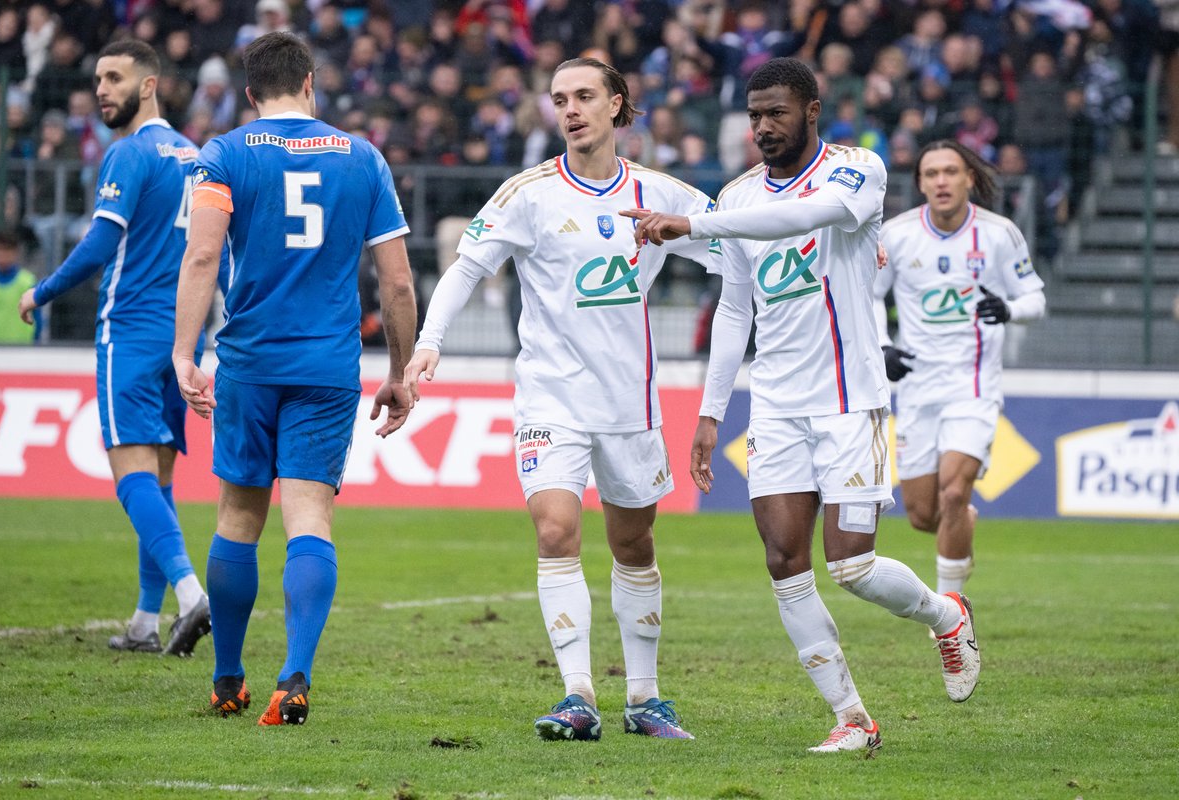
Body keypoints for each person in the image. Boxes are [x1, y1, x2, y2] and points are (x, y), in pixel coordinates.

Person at [622, 57, 980, 754]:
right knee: (785, 560)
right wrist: (710, 412)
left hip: (851, 403)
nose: (763, 126)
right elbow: (734, 309)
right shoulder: (735, 198)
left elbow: (808, 213)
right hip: (778, 408)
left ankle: (946, 615)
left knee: (851, 565)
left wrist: (693, 226)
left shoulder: (856, 171)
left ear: (812, 110)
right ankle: (852, 719)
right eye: (754, 115)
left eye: (777, 113)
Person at [404, 56, 714, 742]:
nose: (569, 109)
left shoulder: (664, 194)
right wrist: (430, 340)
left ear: (616, 105)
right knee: (555, 531)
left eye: (582, 96)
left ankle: (644, 698)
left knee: (635, 544)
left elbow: (737, 246)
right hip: (551, 397)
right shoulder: (529, 193)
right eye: (558, 99)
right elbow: (467, 268)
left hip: (630, 404)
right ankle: (577, 694)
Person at [172, 31, 417, 727]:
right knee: (310, 517)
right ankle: (295, 675)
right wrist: (399, 373)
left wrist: (184, 354)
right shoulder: (361, 157)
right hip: (327, 367)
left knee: (238, 517)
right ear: (311, 82)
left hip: (249, 361)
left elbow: (201, 257)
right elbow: (396, 282)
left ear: (250, 93)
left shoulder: (223, 153)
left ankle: (226, 679)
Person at [17, 39, 213, 657]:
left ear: (149, 85)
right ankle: (144, 621)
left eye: (114, 77)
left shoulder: (130, 154)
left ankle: (190, 594)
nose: (100, 88)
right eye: (98, 78)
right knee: (157, 476)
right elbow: (216, 254)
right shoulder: (197, 156)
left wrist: (41, 292)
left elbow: (102, 244)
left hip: (129, 330)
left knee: (130, 474)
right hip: (180, 337)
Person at [872, 140, 1046, 598]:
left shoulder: (999, 233)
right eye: (932, 174)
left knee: (954, 492)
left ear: (970, 178)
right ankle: (960, 526)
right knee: (923, 515)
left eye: (951, 171)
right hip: (916, 390)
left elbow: (1036, 298)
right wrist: (883, 346)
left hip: (973, 388)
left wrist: (1008, 309)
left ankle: (953, 613)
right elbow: (869, 294)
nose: (942, 181)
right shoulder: (896, 234)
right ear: (921, 184)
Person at [0, 229, 38, 343]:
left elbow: (38, 318)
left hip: (21, 349)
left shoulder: (28, 282)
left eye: (7, 252)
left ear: (16, 253)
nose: (3, 257)